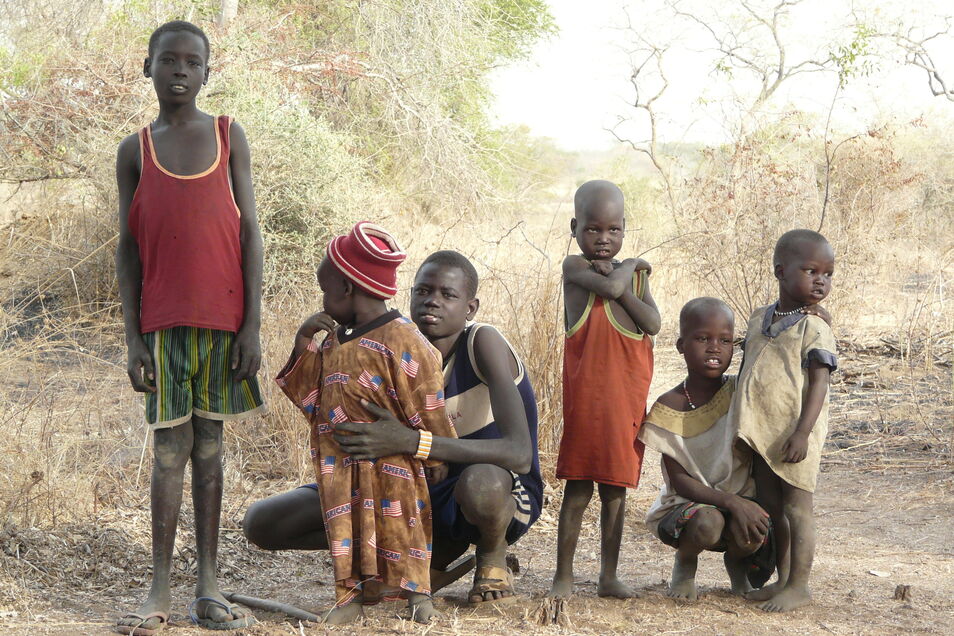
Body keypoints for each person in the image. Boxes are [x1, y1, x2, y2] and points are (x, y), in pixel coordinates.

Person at [243, 250, 542, 606]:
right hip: (410, 492)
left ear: (471, 308)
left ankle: (492, 554)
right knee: (263, 522)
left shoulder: (482, 343)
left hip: (495, 491)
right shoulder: (391, 344)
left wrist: (414, 442)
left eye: (448, 294)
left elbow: (518, 454)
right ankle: (419, 557)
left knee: (481, 486)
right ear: (409, 295)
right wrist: (306, 348)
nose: (432, 301)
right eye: (423, 291)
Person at [114, 20, 263, 635]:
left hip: (223, 324)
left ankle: (208, 584)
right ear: (147, 66)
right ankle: (158, 586)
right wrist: (132, 337)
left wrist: (252, 326)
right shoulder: (135, 150)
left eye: (192, 62)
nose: (180, 70)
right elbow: (128, 249)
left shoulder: (228, 135)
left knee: (210, 449)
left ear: (207, 72)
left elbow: (249, 232)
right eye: (168, 60)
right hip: (162, 326)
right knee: (168, 453)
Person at [274, 222, 456, 624]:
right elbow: (311, 396)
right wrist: (303, 341)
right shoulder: (334, 339)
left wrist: (435, 452)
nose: (323, 301)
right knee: (345, 533)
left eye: (325, 291)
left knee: (405, 529)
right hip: (339, 464)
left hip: (394, 462)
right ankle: (350, 601)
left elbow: (427, 399)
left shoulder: (404, 338)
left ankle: (419, 597)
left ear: (345, 288)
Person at [548, 180, 660, 599]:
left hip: (624, 406)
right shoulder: (574, 269)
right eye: (593, 229)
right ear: (575, 228)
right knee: (578, 488)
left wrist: (628, 272)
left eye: (614, 230)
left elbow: (653, 324)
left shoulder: (634, 279)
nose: (603, 239)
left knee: (615, 491)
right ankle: (562, 576)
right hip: (587, 405)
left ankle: (608, 576)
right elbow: (611, 288)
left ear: (625, 227)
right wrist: (630, 264)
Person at [638, 298, 773, 602]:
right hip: (688, 505)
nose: (714, 348)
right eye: (702, 339)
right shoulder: (668, 408)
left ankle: (737, 562)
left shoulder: (741, 392)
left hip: (740, 500)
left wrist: (813, 315)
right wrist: (731, 502)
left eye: (724, 341)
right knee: (708, 523)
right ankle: (686, 563)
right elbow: (680, 481)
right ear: (681, 345)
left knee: (757, 522)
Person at [732, 229, 837, 612]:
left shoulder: (815, 327)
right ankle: (782, 579)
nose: (821, 280)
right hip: (762, 433)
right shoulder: (758, 318)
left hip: (796, 434)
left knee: (797, 509)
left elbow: (819, 383)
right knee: (773, 508)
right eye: (811, 271)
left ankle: (799, 585)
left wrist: (802, 433)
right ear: (780, 272)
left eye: (827, 273)